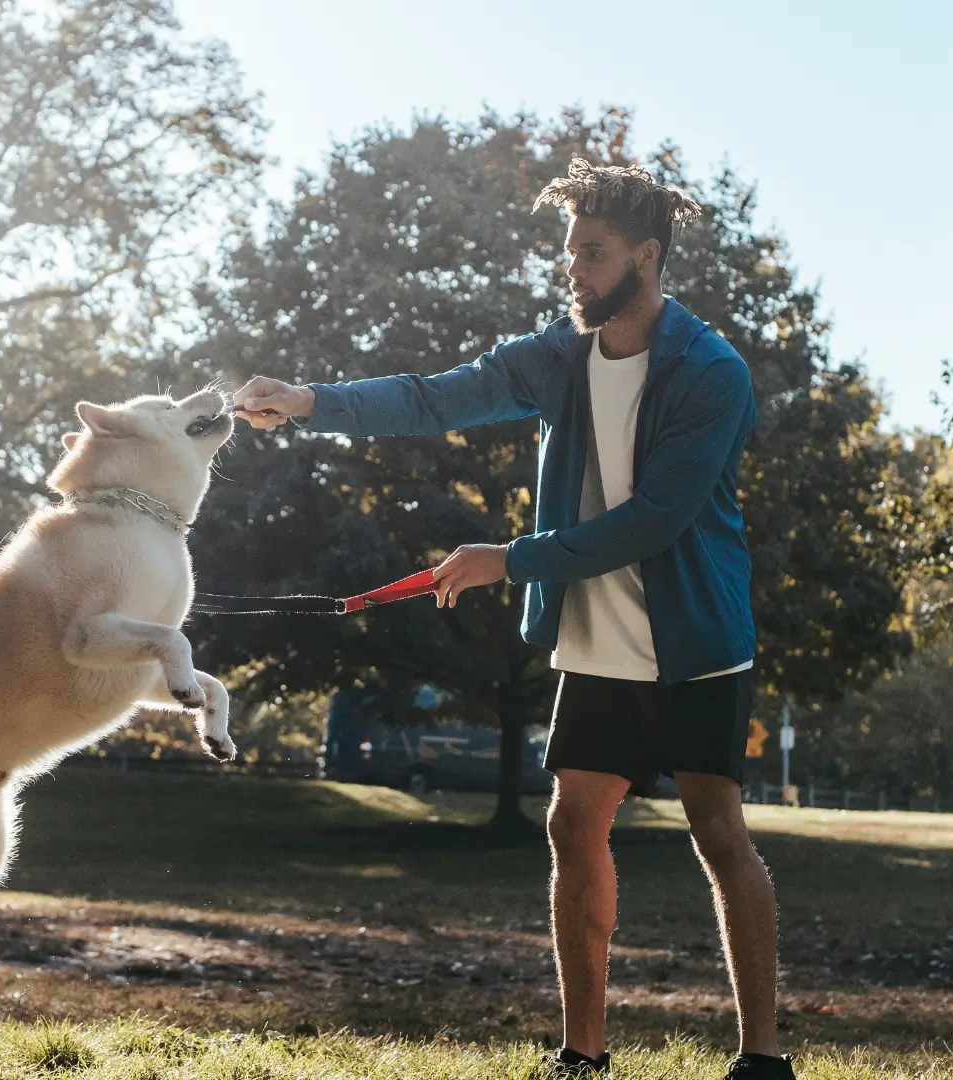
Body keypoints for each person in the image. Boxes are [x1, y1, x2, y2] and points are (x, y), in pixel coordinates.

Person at [233, 160, 791, 1080]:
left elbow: (656, 518)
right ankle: (583, 1055)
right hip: (597, 647)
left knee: (719, 834)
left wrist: (510, 558)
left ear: (646, 257)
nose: (573, 269)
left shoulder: (711, 373)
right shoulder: (558, 356)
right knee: (573, 827)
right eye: (570, 251)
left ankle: (762, 1060)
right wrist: (309, 403)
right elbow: (433, 395)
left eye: (594, 252)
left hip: (697, 645)